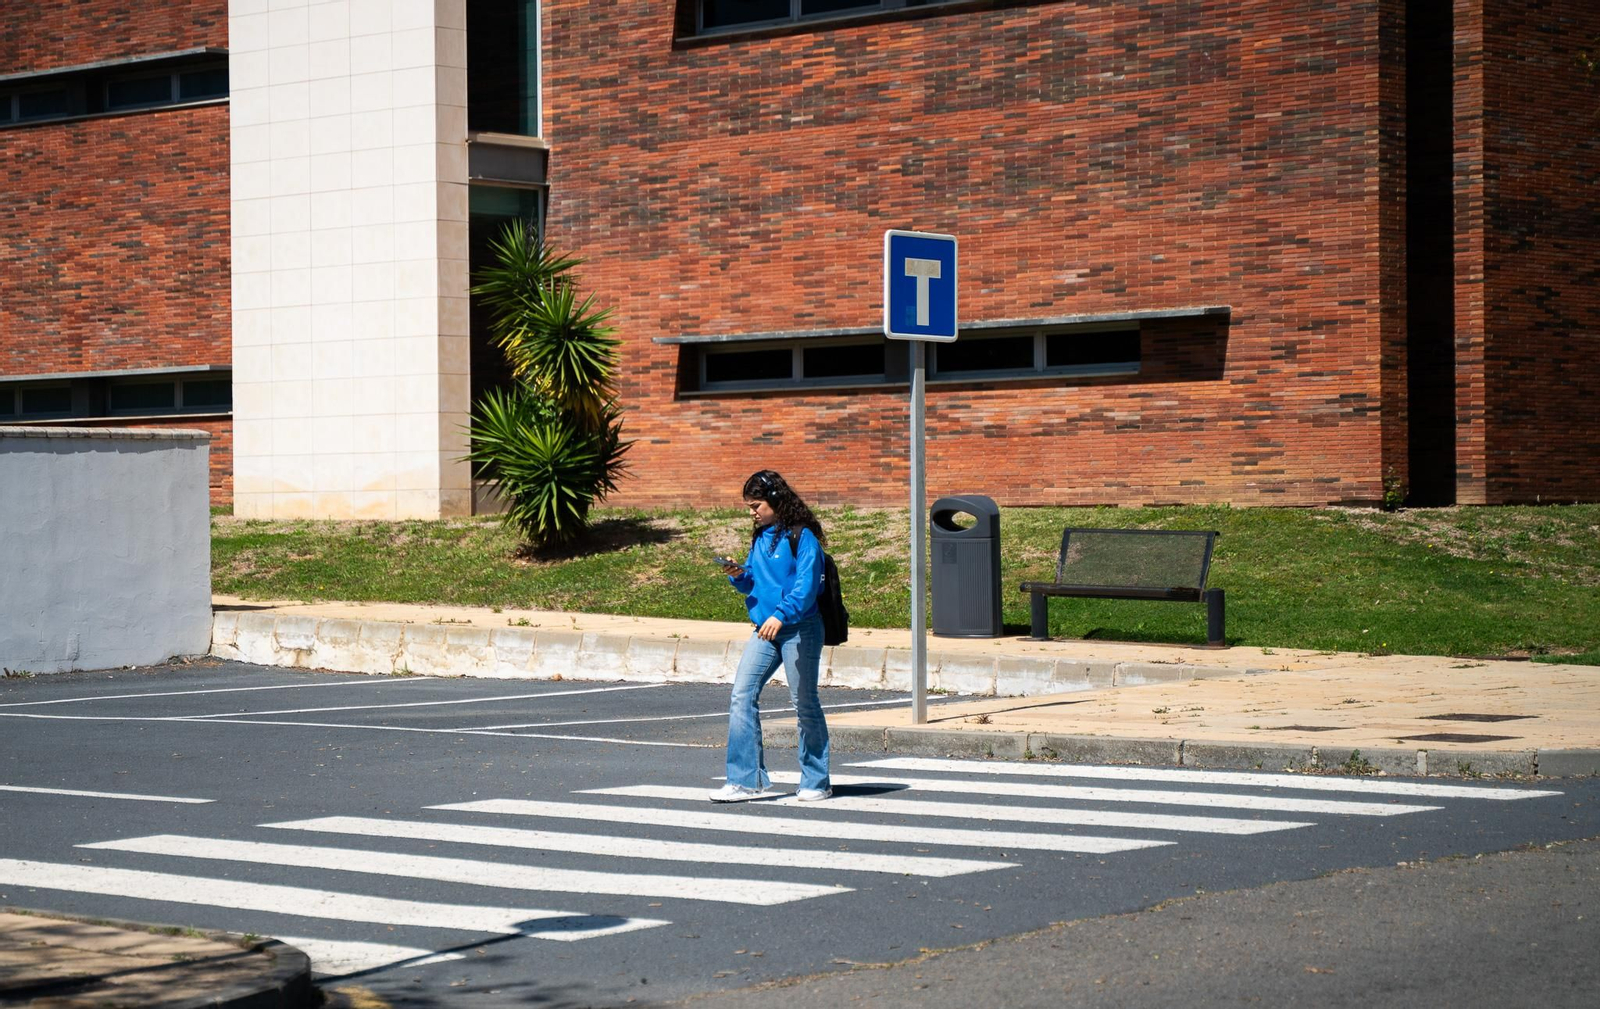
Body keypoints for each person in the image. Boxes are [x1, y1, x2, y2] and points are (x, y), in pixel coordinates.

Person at [709, 470, 832, 802]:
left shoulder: (802, 536)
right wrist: (739, 575)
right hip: (765, 629)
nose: (752, 512)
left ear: (776, 501)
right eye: (749, 506)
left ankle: (816, 780)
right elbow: (756, 582)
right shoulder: (761, 537)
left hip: (800, 627)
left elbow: (806, 589)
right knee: (741, 696)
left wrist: (781, 615)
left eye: (756, 505)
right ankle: (745, 780)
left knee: (804, 703)